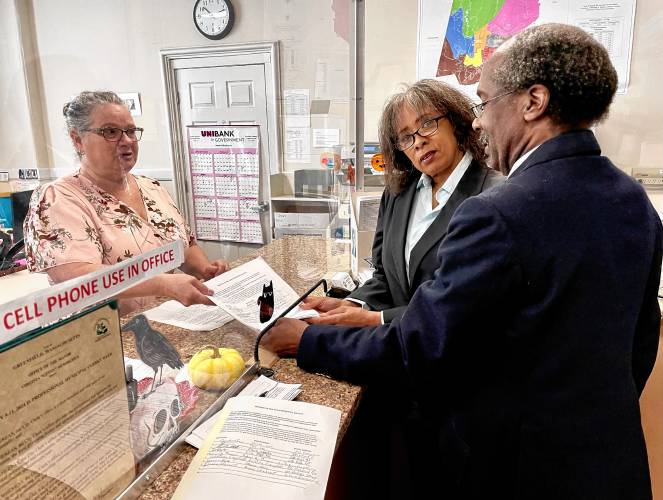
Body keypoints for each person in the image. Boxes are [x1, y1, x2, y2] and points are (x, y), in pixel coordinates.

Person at [265, 23, 662, 499]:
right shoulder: (632, 199)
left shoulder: (497, 211)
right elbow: (641, 339)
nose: (478, 121)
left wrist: (307, 342)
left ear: (533, 102)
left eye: (485, 101)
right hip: (609, 463)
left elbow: (419, 349)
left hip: (518, 472)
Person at [303, 79, 502, 327]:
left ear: (456, 122)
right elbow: (385, 277)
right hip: (398, 349)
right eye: (406, 137)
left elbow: (465, 301)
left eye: (427, 124)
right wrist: (353, 304)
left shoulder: (494, 195)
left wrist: (376, 319)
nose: (418, 142)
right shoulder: (398, 193)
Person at [24, 90, 229, 314]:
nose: (127, 141)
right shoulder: (58, 199)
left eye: (131, 131)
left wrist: (205, 269)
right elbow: (78, 278)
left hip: (165, 322)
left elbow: (184, 247)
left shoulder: (152, 188)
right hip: (107, 336)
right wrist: (163, 284)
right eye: (111, 132)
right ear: (78, 140)